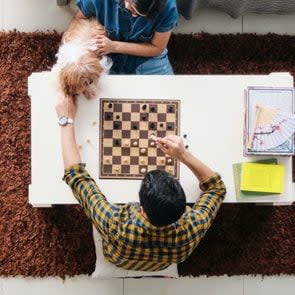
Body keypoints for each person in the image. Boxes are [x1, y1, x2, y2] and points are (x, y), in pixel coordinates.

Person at [56, 93, 226, 271]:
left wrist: (65, 121)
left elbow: (76, 177)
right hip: (162, 263)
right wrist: (183, 155)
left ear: (140, 207)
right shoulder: (192, 230)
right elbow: (216, 188)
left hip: (117, 256)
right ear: (184, 208)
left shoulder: (115, 225)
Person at [64, 0, 178, 74]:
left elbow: (157, 48)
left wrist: (115, 46)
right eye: (133, 10)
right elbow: (79, 19)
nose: (134, 16)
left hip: (146, 56)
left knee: (168, 95)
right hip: (107, 55)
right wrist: (95, 29)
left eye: (141, 15)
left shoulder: (168, 6)